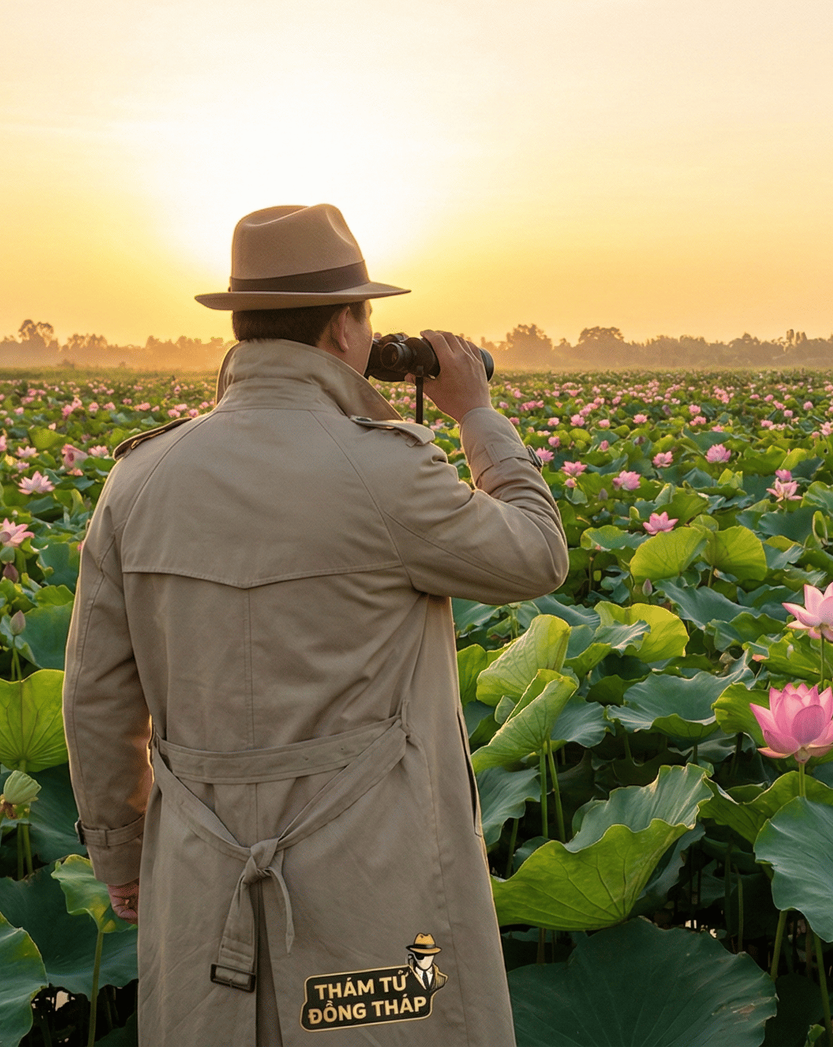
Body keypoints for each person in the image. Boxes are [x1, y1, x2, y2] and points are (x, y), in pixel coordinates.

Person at [63, 203, 568, 1045]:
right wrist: (476, 412)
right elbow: (537, 554)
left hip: (197, 873)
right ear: (344, 325)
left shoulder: (139, 480)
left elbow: (96, 698)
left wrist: (123, 858)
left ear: (242, 322)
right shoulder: (389, 469)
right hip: (373, 890)